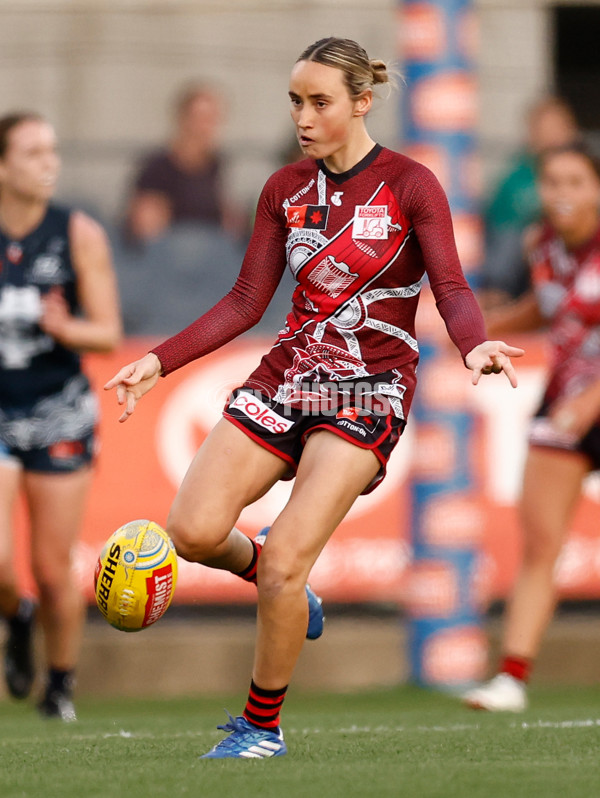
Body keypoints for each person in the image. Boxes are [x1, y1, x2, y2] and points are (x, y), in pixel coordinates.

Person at [105, 37, 523, 758]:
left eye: (320, 101)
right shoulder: (283, 190)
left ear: (362, 103)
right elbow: (243, 301)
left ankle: (261, 727)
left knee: (294, 559)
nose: (304, 115)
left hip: (369, 388)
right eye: (296, 101)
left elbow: (451, 287)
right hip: (289, 376)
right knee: (194, 531)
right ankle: (268, 571)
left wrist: (473, 341)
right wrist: (157, 360)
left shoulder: (411, 183)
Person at [464, 141, 600, 712]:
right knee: (541, 542)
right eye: (553, 182)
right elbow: (548, 309)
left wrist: (594, 400)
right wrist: (480, 328)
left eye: (575, 182)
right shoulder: (541, 244)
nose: (562, 194)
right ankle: (512, 679)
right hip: (565, 397)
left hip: (587, 399)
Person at [0, 112, 122, 720]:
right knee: (0, 560)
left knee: (53, 568)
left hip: (58, 409)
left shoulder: (77, 233)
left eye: (53, 150)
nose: (49, 162)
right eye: (32, 152)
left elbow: (108, 333)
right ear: (3, 166)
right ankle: (14, 614)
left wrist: (64, 326)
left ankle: (61, 686)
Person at [480, 96, 579, 308]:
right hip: (524, 259)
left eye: (556, 128)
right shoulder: (518, 175)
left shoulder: (584, 162)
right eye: (544, 130)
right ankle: (496, 297)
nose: (552, 137)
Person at [125, 82, 239, 244]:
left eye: (214, 119)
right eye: (202, 119)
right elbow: (145, 229)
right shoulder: (158, 168)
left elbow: (226, 220)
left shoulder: (215, 164)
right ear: (183, 120)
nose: (208, 128)